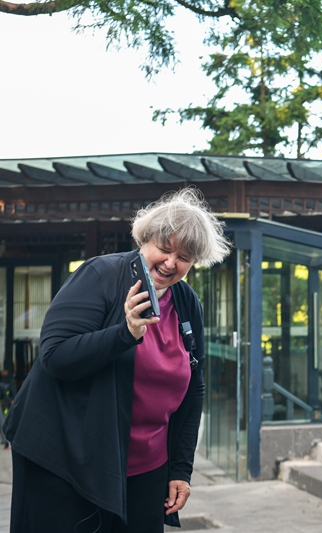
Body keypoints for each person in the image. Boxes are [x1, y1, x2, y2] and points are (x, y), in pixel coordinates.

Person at [3, 188, 231, 532]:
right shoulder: (101, 275)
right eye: (165, 249)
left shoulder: (186, 302)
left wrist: (180, 470)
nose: (171, 262)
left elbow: (193, 388)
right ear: (146, 240)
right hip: (66, 459)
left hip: (146, 467)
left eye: (184, 257)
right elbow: (54, 356)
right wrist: (124, 333)